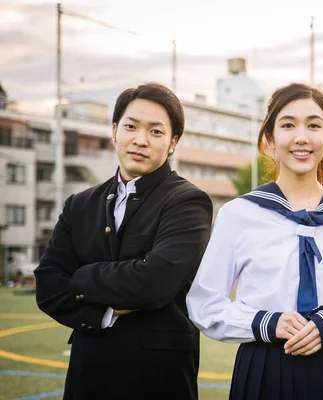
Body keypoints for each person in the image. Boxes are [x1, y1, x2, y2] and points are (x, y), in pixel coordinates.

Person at [186, 82, 323, 400]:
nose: (301, 137)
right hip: (263, 368)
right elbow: (204, 304)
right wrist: (267, 323)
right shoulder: (238, 214)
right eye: (287, 125)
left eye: (313, 125)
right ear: (269, 138)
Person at [34, 83, 213, 400]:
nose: (140, 140)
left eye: (156, 132)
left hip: (158, 377)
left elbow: (154, 283)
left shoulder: (188, 201)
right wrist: (102, 313)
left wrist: (80, 278)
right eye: (131, 127)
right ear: (115, 130)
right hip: (89, 372)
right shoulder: (80, 203)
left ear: (173, 143)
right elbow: (48, 286)